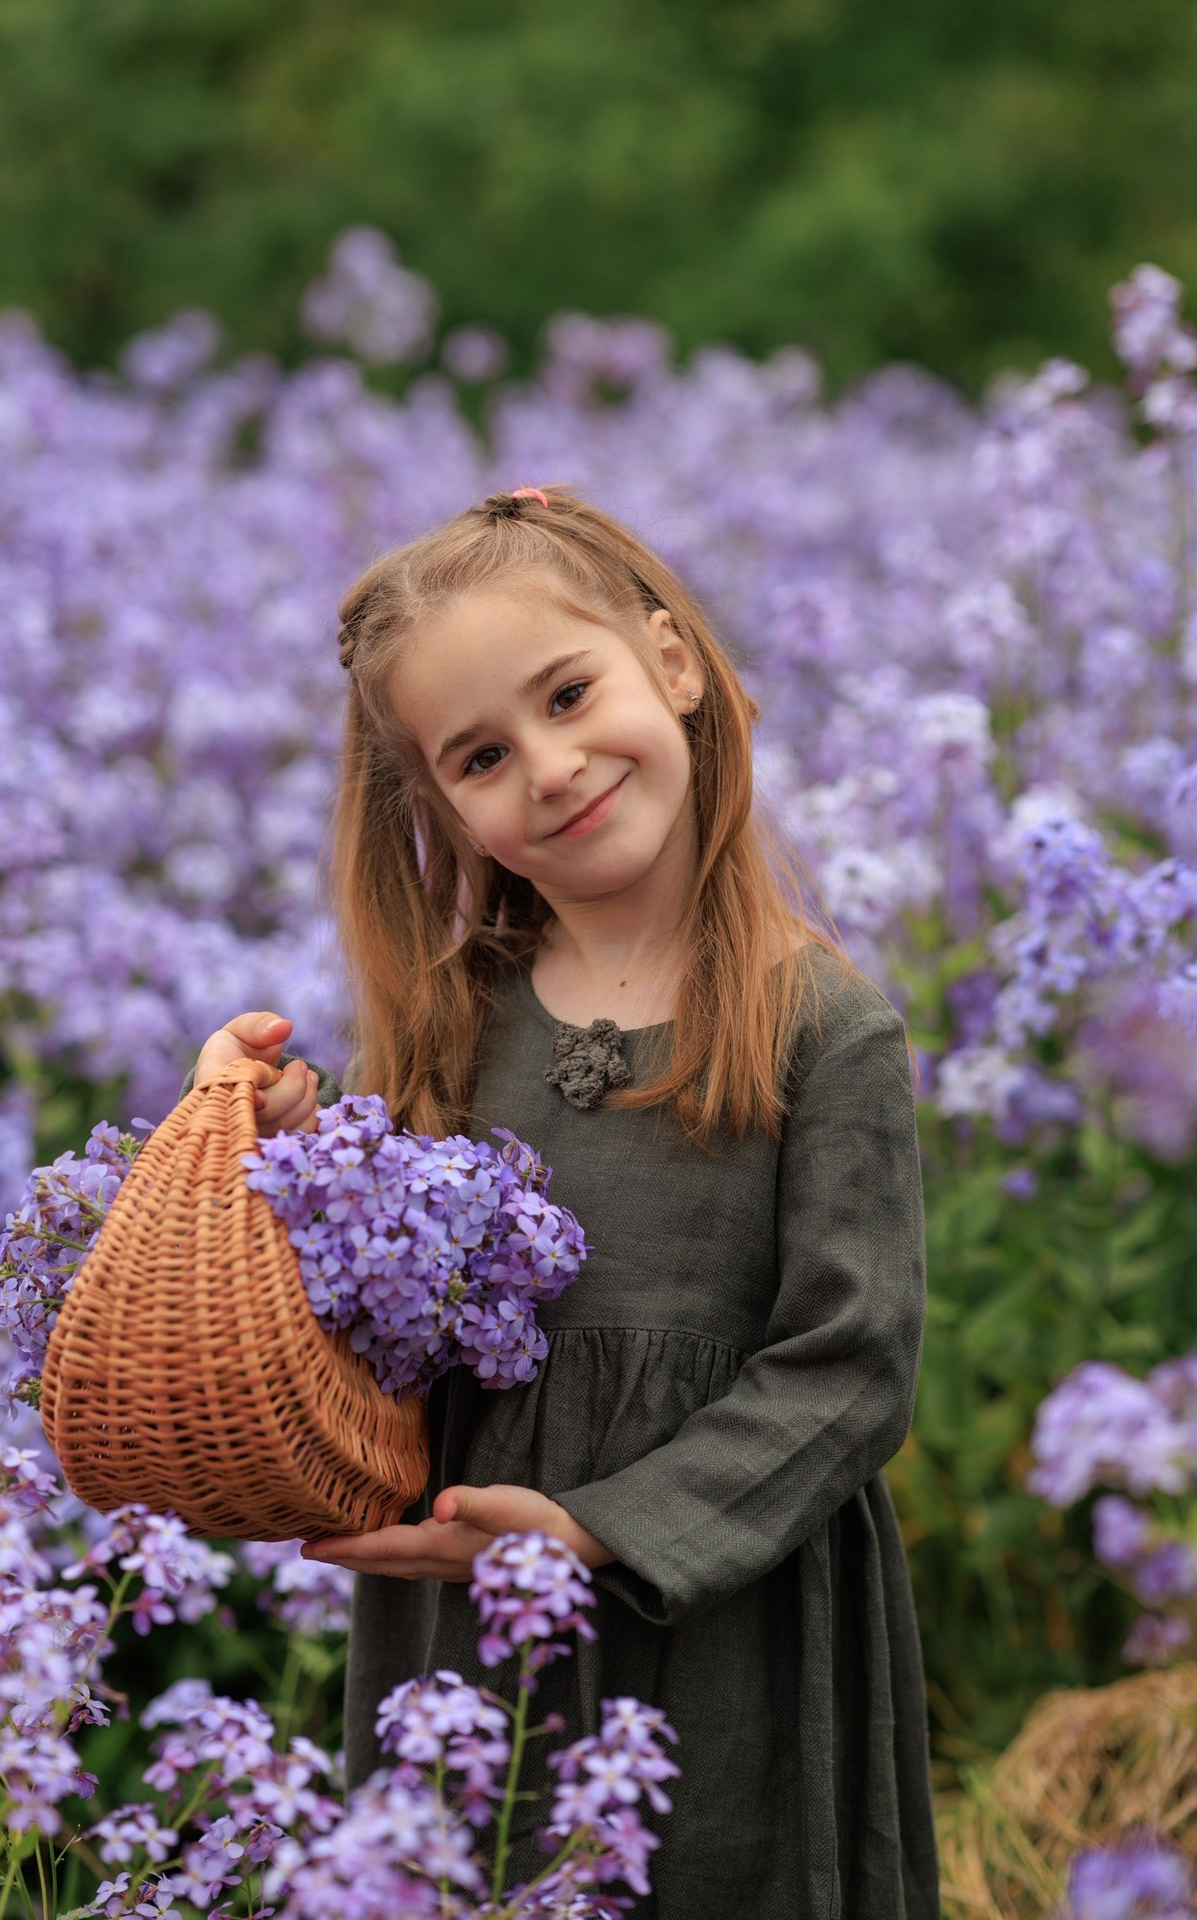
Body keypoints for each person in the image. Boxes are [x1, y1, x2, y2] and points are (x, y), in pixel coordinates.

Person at [190, 485, 940, 1918]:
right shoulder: (453, 1020)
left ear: (672, 661)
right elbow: (369, 1288)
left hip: (727, 1606)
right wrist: (281, 1140)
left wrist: (603, 1529)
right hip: (470, 1601)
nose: (548, 764)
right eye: (481, 753)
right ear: (445, 809)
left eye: (568, 692)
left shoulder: (821, 1028)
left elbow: (851, 1373)